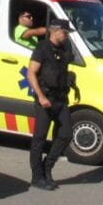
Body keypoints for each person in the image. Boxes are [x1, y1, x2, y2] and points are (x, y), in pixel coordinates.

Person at [26, 17, 79, 190]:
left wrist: (73, 85)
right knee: (39, 138)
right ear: (56, 31)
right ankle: (37, 176)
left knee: (66, 134)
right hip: (45, 99)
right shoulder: (42, 48)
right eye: (65, 33)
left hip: (61, 99)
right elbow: (31, 73)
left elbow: (64, 70)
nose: (67, 36)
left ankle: (47, 167)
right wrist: (40, 96)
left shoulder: (65, 48)